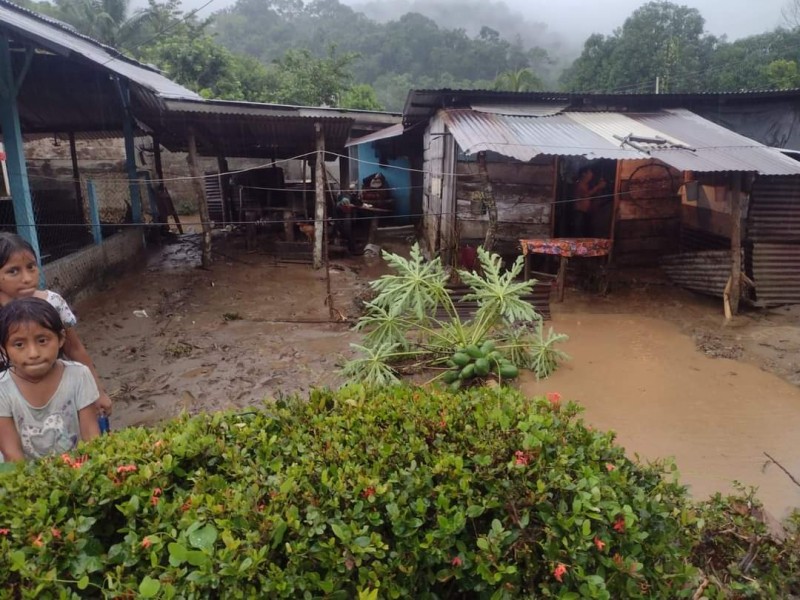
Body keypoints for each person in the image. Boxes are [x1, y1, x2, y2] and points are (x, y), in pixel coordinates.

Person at [0, 233, 112, 415]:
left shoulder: (52, 303)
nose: (27, 278)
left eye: (31, 267)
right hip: (10, 405)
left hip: (59, 395)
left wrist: (98, 391)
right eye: (13, 271)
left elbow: (75, 349)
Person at [0, 297, 100, 460]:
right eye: (19, 344)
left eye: (42, 340)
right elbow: (12, 454)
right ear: (3, 349)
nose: (33, 353)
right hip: (26, 477)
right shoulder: (2, 389)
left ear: (61, 339)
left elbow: (91, 436)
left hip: (75, 469)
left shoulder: (79, 375)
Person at [572, 167, 607, 238]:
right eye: (590, 173)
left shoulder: (587, 185)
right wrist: (597, 187)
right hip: (579, 214)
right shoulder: (579, 184)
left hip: (585, 213)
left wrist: (599, 188)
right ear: (584, 174)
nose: (592, 175)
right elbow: (585, 195)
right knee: (579, 235)